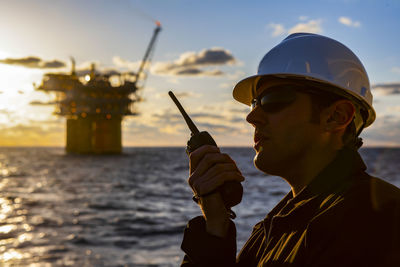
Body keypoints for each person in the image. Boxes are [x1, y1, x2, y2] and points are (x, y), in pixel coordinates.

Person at [180, 33, 400, 266]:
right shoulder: (278, 226)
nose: (251, 116)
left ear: (337, 117)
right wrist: (216, 225)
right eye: (255, 103)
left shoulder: (376, 221)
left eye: (272, 99)